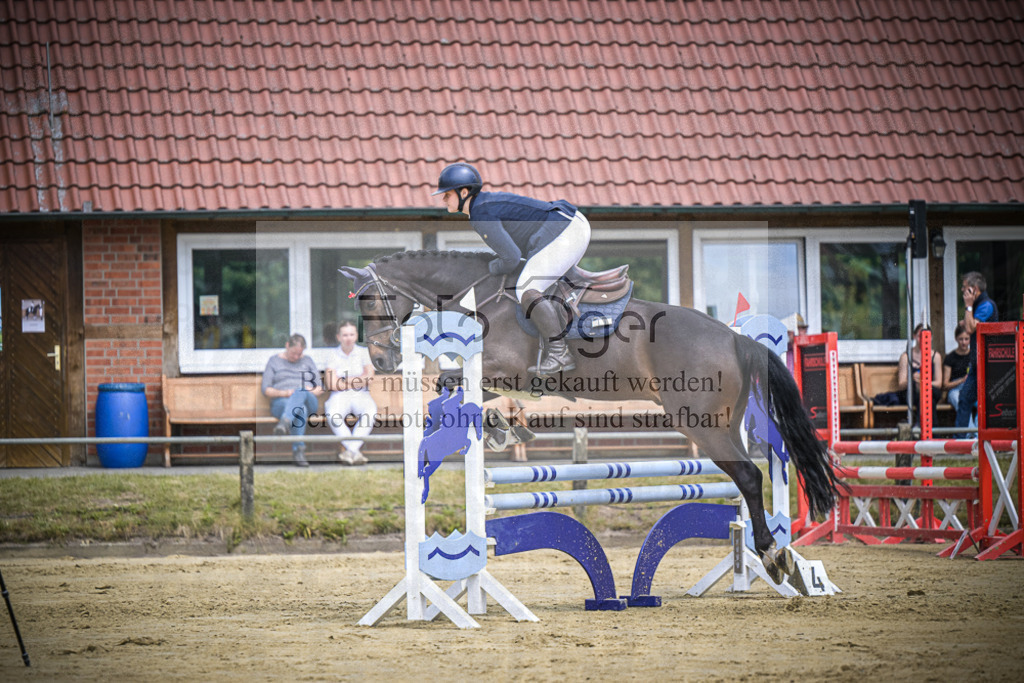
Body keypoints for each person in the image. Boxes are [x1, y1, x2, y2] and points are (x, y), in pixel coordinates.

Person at [433, 162, 591, 375]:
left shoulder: (480, 212)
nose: (443, 199)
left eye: (447, 194)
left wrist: (491, 267)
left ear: (464, 192)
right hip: (565, 227)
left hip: (565, 231)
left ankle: (558, 352)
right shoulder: (482, 206)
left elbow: (510, 258)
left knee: (526, 289)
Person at [262, 334, 323, 467]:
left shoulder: (308, 361)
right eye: (293, 353)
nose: (296, 357)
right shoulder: (274, 361)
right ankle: (298, 451)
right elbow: (266, 390)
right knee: (300, 410)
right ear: (287, 346)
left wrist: (306, 391)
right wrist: (286, 393)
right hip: (281, 402)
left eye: (299, 354)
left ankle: (285, 422)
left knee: (300, 392)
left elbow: (319, 388)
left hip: (308, 400)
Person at [324, 321, 376, 466]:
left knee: (370, 412)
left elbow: (370, 378)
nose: (348, 338)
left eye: (351, 334)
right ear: (338, 337)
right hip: (339, 396)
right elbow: (331, 384)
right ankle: (355, 452)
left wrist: (344, 380)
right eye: (345, 335)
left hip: (361, 395)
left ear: (356, 336)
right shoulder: (333, 355)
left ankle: (350, 451)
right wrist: (359, 379)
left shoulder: (363, 352)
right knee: (333, 414)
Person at [955, 272, 999, 436]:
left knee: (988, 404)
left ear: (975, 289)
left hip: (988, 364)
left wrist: (968, 306)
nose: (962, 290)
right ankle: (958, 442)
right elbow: (969, 325)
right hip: (977, 363)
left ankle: (991, 440)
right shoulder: (979, 306)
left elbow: (970, 328)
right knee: (964, 398)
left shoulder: (987, 305)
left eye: (965, 288)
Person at [897, 323, 942, 426]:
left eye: (926, 336)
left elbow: (939, 383)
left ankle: (920, 427)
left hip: (930, 389)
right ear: (914, 336)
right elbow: (901, 384)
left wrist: (924, 382)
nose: (922, 339)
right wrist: (911, 379)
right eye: (919, 336)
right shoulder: (906, 356)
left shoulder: (936, 356)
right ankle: (931, 432)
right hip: (912, 392)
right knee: (927, 398)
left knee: (927, 394)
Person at [943, 323, 972, 413]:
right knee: (961, 403)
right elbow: (945, 385)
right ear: (956, 339)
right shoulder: (950, 358)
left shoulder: (974, 355)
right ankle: (971, 427)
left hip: (972, 388)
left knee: (983, 403)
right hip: (955, 390)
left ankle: (976, 426)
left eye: (966, 339)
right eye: (961, 339)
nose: (964, 342)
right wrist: (961, 380)